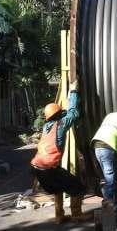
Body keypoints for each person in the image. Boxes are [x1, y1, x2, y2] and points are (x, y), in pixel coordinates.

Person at [30, 81, 90, 223]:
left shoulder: (46, 126)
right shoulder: (61, 124)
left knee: (58, 188)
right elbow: (74, 113)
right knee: (78, 187)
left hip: (36, 168)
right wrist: (74, 92)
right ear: (58, 114)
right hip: (48, 168)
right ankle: (76, 215)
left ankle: (59, 216)